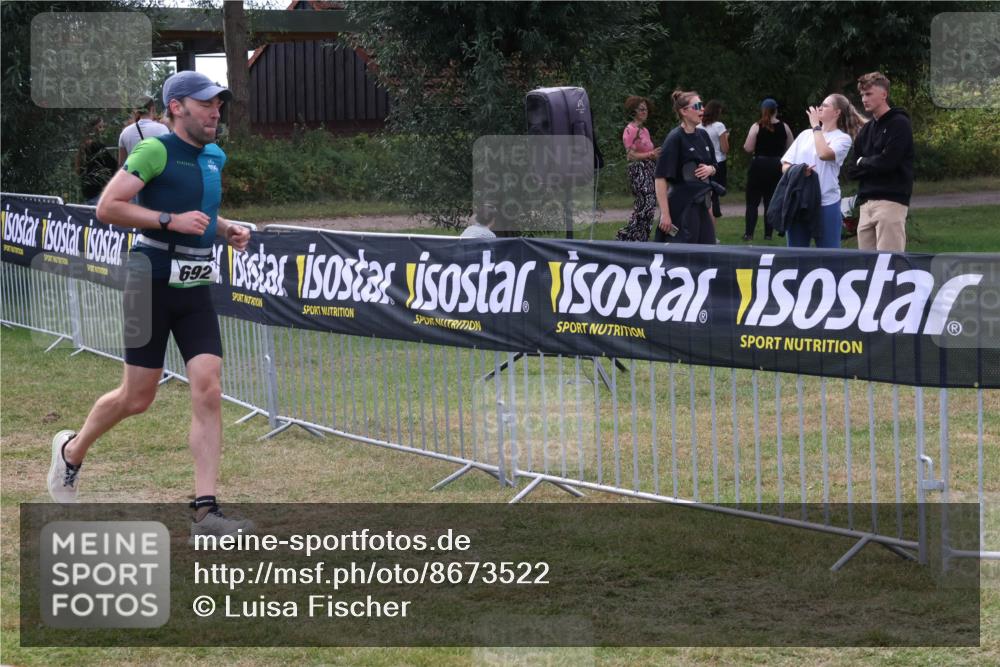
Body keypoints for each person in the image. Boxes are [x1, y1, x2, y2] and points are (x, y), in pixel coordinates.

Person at [48, 71, 253, 540]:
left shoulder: (214, 156)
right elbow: (108, 206)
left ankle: (207, 512)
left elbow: (200, 213)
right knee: (137, 397)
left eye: (219, 104)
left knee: (208, 387)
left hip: (195, 282)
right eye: (205, 104)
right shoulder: (155, 150)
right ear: (177, 107)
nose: (215, 112)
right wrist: (168, 220)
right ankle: (72, 451)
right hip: (148, 280)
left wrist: (226, 230)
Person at [780, 94, 864, 248]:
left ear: (837, 112)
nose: (819, 108)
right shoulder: (805, 135)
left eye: (825, 105)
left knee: (829, 255)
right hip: (799, 201)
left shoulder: (842, 139)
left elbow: (823, 153)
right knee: (795, 255)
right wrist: (798, 170)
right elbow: (785, 165)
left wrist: (816, 127)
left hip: (826, 203)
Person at [847, 71, 914, 252]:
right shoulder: (866, 130)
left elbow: (888, 162)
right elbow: (852, 169)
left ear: (884, 94)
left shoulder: (899, 123)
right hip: (866, 203)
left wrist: (864, 162)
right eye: (862, 95)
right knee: (867, 268)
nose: (864, 99)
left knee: (889, 264)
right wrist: (867, 162)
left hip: (891, 201)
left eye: (868, 94)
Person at [652, 90, 718, 245]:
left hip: (703, 204)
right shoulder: (675, 138)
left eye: (703, 105)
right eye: (698, 105)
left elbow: (714, 165)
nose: (703, 109)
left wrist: (711, 169)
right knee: (684, 252)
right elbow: (660, 177)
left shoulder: (703, 136)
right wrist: (665, 214)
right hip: (682, 206)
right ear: (684, 111)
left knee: (708, 249)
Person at [742, 98, 793, 241]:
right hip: (777, 165)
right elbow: (791, 147)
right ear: (776, 110)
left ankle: (749, 233)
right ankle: (768, 234)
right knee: (770, 200)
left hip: (759, 165)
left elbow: (748, 147)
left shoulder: (756, 126)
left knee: (752, 201)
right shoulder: (785, 127)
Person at [616, 96, 661, 241]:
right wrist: (650, 154)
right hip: (638, 171)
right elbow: (630, 155)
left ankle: (642, 237)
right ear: (633, 111)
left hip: (649, 169)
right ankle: (626, 236)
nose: (645, 112)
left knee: (650, 205)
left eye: (646, 109)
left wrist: (655, 156)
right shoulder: (630, 130)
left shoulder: (645, 130)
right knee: (644, 205)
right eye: (641, 109)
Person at [697, 100, 729, 218]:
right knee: (715, 192)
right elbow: (725, 148)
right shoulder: (719, 126)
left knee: (706, 191)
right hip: (718, 162)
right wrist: (726, 138)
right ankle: (714, 213)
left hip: (703, 162)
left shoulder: (698, 126)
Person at [118, 96, 170, 167]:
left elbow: (121, 164)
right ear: (152, 109)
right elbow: (168, 158)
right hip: (157, 176)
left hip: (134, 176)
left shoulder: (125, 132)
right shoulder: (162, 129)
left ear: (137, 110)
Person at [75, 118, 117, 206]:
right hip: (98, 189)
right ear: (95, 129)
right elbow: (112, 166)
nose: (103, 130)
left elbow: (79, 169)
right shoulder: (97, 147)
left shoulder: (83, 145)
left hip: (87, 188)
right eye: (101, 127)